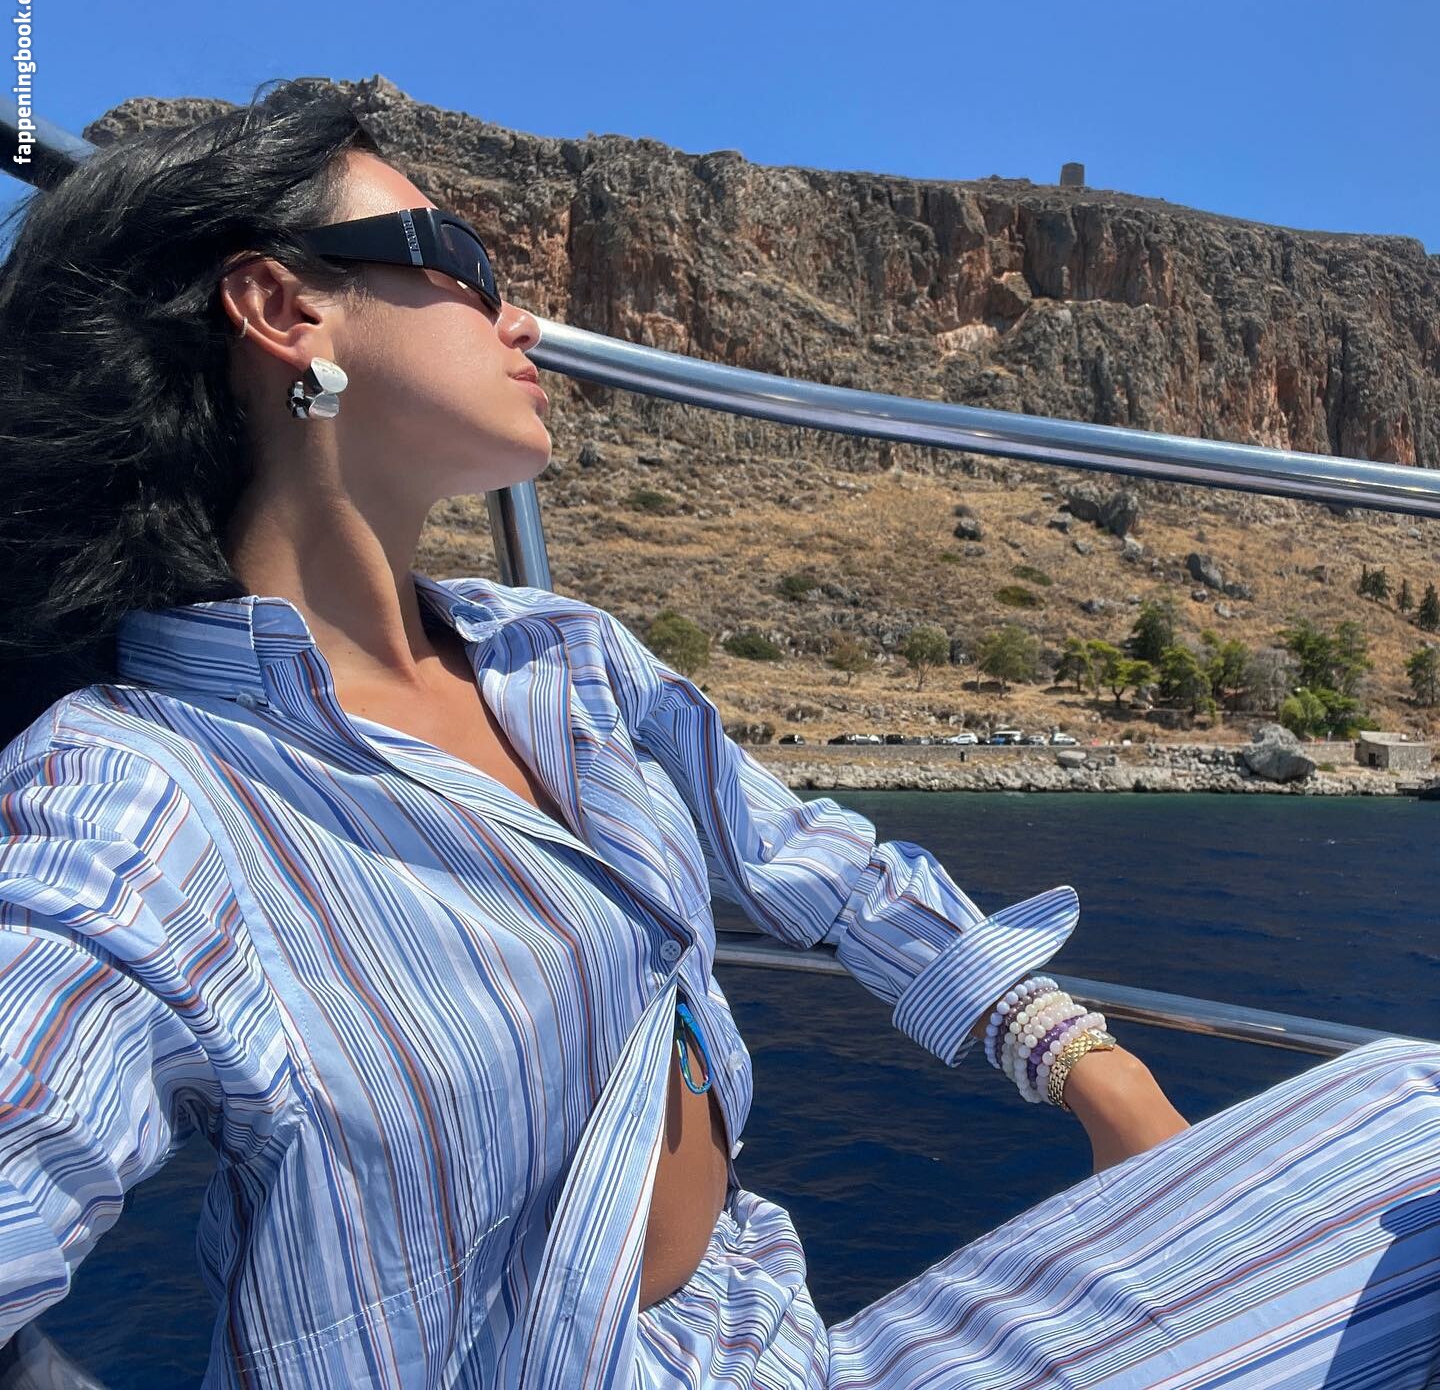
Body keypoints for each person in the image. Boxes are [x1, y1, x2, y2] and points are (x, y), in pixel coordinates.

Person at [0, 79, 1436, 1390]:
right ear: (280, 308)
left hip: (786, 1349)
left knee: (1413, 1112)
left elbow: (817, 858)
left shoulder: (561, 656)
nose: (523, 318)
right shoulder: (139, 789)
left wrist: (1091, 1068)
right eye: (465, 264)